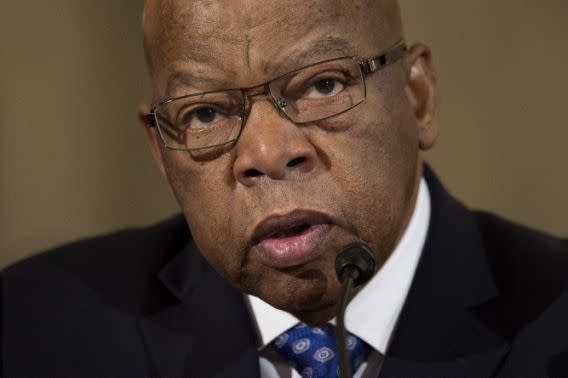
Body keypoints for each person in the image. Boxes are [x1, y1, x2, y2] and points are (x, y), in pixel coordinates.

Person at [2, 0, 567, 377]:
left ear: (418, 98)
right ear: (161, 152)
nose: (267, 154)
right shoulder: (35, 328)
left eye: (323, 83)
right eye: (203, 115)